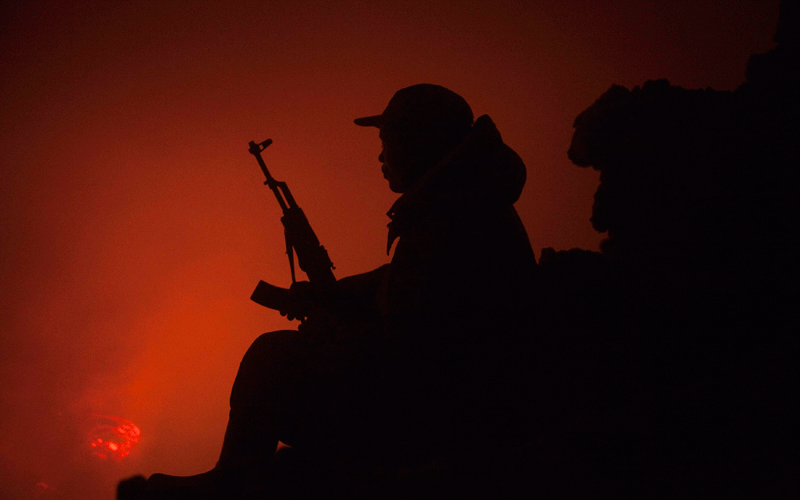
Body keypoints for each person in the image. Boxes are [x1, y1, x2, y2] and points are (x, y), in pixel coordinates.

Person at [120, 84, 539, 499]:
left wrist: (332, 332)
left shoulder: (451, 219)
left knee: (273, 358)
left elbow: (420, 345)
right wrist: (333, 296)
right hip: (455, 398)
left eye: (387, 139)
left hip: (442, 413)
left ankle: (232, 484)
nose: (380, 154)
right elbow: (400, 280)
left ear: (419, 141)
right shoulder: (464, 199)